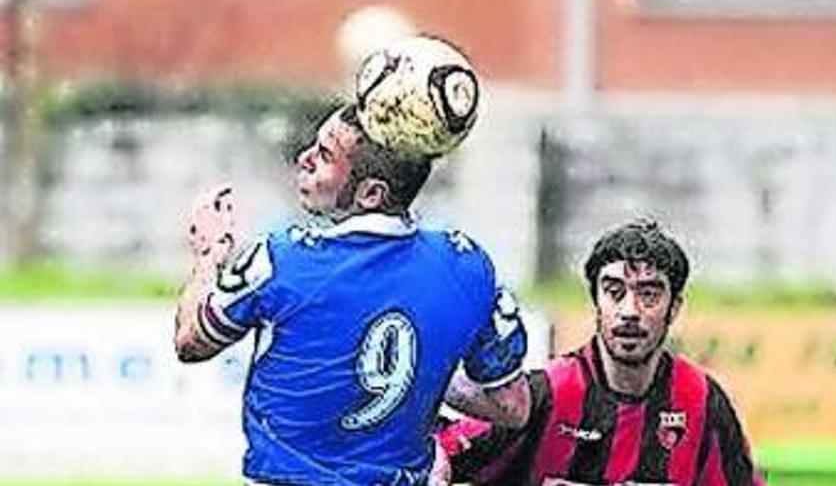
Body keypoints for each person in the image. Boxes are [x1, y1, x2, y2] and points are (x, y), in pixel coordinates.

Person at [173, 105, 530, 486]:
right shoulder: (467, 266)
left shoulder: (282, 259)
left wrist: (209, 256)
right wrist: (422, 378)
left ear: (371, 194)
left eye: (324, 155)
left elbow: (191, 342)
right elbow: (512, 406)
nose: (304, 158)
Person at [438, 219, 766, 486]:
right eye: (614, 292)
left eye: (649, 294)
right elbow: (435, 458)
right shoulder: (545, 393)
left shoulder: (701, 399)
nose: (629, 311)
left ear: (675, 307)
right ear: (596, 302)